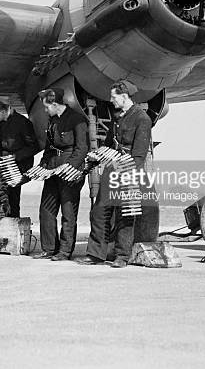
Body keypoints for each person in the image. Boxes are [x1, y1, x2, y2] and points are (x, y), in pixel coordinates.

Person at [77, 80, 159, 268]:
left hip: (129, 170)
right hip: (111, 169)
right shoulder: (117, 117)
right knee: (99, 211)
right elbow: (108, 144)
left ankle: (122, 256)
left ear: (124, 96)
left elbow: (138, 155)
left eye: (114, 97)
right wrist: (96, 155)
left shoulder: (142, 119)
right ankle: (96, 254)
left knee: (126, 214)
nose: (111, 100)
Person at [33, 88, 88, 261]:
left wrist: (70, 167)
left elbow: (82, 148)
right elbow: (49, 148)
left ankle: (64, 251)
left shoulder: (77, 120)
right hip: (52, 169)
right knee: (46, 210)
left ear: (55, 104)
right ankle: (49, 248)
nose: (45, 110)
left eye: (46, 107)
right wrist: (42, 166)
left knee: (68, 212)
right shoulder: (52, 121)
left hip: (70, 169)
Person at [0, 95, 38, 218]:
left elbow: (33, 147)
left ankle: (11, 214)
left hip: (20, 164)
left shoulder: (23, 123)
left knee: (13, 195)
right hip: (5, 162)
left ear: (3, 111)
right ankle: (4, 202)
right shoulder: (0, 122)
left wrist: (15, 157)